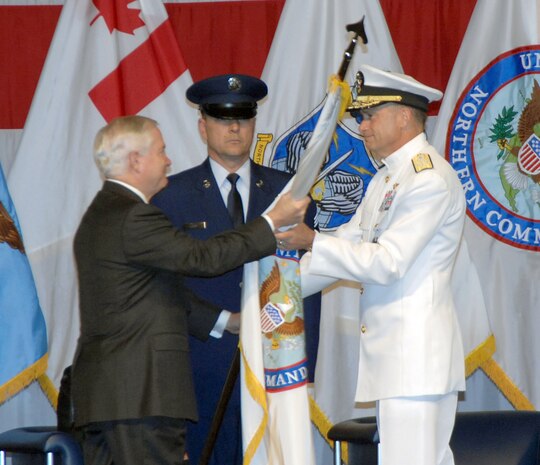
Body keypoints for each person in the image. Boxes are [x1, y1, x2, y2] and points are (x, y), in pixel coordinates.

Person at [70, 115, 310, 465]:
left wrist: (228, 321)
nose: (168, 159)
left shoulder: (105, 211)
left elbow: (158, 292)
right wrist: (271, 222)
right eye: (161, 151)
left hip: (116, 398)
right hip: (140, 397)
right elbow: (202, 257)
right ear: (136, 160)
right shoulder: (134, 216)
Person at [276, 64, 466, 465]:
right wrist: (278, 291)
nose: (361, 127)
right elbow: (347, 242)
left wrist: (312, 239)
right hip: (400, 361)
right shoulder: (388, 179)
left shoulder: (428, 179)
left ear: (403, 116)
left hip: (414, 360)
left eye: (369, 116)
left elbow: (388, 263)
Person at [152, 73, 320, 465]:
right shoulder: (171, 196)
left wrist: (304, 366)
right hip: (202, 362)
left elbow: (307, 282)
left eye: (243, 118)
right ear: (202, 126)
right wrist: (222, 320)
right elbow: (163, 284)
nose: (234, 127)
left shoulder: (288, 193)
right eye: (223, 118)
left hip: (276, 360)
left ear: (254, 124)